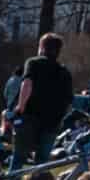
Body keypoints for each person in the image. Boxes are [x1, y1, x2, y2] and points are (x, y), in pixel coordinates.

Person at [16, 33, 74, 166]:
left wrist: (20, 107)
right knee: (42, 162)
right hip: (52, 122)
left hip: (30, 117)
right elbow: (69, 100)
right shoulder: (64, 72)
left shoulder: (33, 63)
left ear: (42, 47)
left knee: (19, 157)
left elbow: (27, 84)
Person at [0, 64, 22, 128]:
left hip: (10, 106)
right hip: (19, 109)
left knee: (6, 125)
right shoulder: (24, 81)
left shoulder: (10, 80)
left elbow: (5, 94)